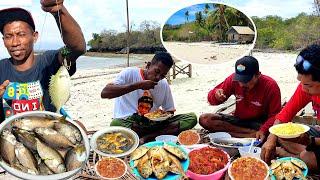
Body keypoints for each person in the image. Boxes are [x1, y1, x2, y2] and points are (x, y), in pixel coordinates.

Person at [0, 0, 86, 122]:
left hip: (47, 131)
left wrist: (59, 12)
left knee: (78, 125)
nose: (15, 43)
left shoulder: (49, 61)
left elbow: (77, 48)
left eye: (21, 34)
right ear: (4, 41)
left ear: (34, 37)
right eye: (8, 37)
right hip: (11, 134)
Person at [101, 52, 197, 143]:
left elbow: (170, 111)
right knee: (115, 124)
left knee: (192, 118)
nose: (157, 77)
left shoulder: (163, 84)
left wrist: (161, 116)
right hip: (131, 122)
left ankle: (148, 137)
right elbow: (105, 93)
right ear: (148, 65)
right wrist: (137, 85)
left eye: (162, 76)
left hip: (154, 124)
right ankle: (156, 135)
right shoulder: (129, 73)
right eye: (157, 71)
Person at [261, 44, 320, 172]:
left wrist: (312, 142)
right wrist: (271, 139)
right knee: (282, 133)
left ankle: (290, 155)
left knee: (309, 159)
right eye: (301, 82)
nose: (303, 89)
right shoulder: (305, 87)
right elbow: (284, 115)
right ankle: (302, 156)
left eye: (308, 85)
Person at [199, 56, 281, 141]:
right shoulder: (233, 79)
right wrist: (216, 95)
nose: (241, 84)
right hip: (239, 120)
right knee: (205, 119)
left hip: (259, 123)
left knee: (275, 131)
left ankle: (235, 135)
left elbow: (275, 115)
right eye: (239, 80)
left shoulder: (270, 85)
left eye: (246, 80)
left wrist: (263, 129)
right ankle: (250, 134)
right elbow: (211, 100)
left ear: (258, 75)